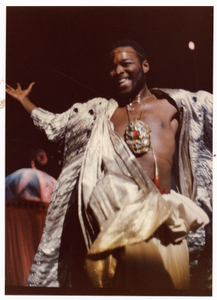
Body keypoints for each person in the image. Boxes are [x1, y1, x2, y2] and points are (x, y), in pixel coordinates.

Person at [6, 39, 212, 291]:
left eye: (126, 63)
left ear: (145, 65)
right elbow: (56, 125)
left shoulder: (177, 106)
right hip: (117, 231)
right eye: (113, 67)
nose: (118, 71)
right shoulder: (99, 114)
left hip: (166, 227)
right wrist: (25, 102)